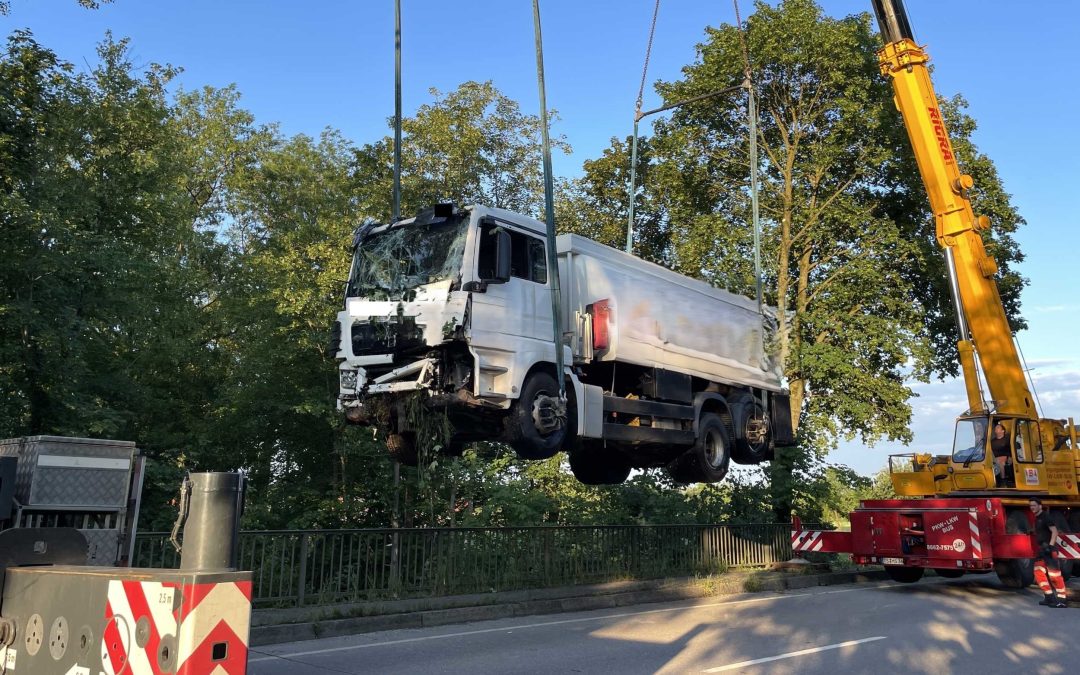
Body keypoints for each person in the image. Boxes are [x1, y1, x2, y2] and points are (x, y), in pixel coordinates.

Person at [1029, 497, 1068, 608]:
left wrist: (1050, 547)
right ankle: (1049, 597)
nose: (1032, 507)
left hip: (1049, 550)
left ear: (1040, 506)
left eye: (1034, 505)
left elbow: (1054, 531)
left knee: (1054, 575)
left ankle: (1062, 599)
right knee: (1038, 572)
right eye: (1031, 506)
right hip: (1042, 551)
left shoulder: (1046, 517)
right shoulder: (1037, 518)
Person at [990, 422, 1011, 487]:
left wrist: (1010, 457)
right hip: (995, 459)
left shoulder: (1007, 439)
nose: (996, 428)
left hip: (1006, 458)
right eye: (995, 427)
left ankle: (1003, 481)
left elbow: (1012, 449)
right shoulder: (992, 442)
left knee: (1000, 462)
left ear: (1003, 431)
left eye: (998, 427)